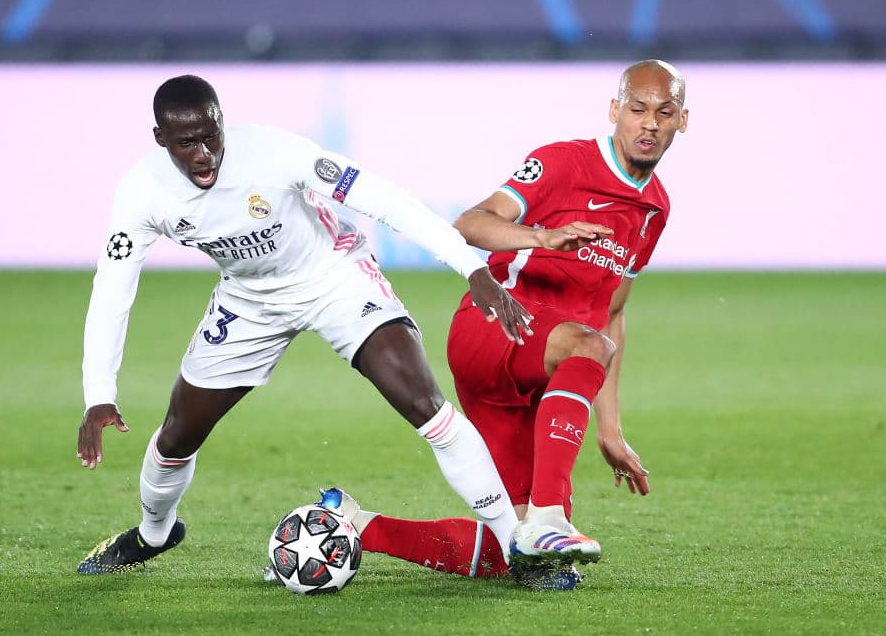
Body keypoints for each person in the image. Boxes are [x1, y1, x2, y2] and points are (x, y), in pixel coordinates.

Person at [75, 74, 536, 575]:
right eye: (187, 144)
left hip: (333, 276)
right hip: (247, 300)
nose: (205, 153)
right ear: (161, 140)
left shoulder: (276, 154)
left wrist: (470, 266)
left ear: (223, 123)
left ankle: (517, 545)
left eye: (213, 135)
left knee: (427, 407)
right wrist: (99, 392)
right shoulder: (142, 193)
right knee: (176, 438)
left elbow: (384, 199)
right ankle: (153, 534)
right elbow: (112, 289)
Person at [321, 60, 689, 589]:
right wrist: (541, 237)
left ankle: (353, 523)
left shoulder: (655, 208)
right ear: (615, 110)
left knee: (513, 553)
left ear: (682, 121)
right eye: (637, 109)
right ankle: (548, 516)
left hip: (545, 370)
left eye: (664, 112)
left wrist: (610, 429)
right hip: (495, 327)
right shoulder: (563, 163)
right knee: (587, 347)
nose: (649, 123)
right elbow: (469, 223)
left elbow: (613, 313)